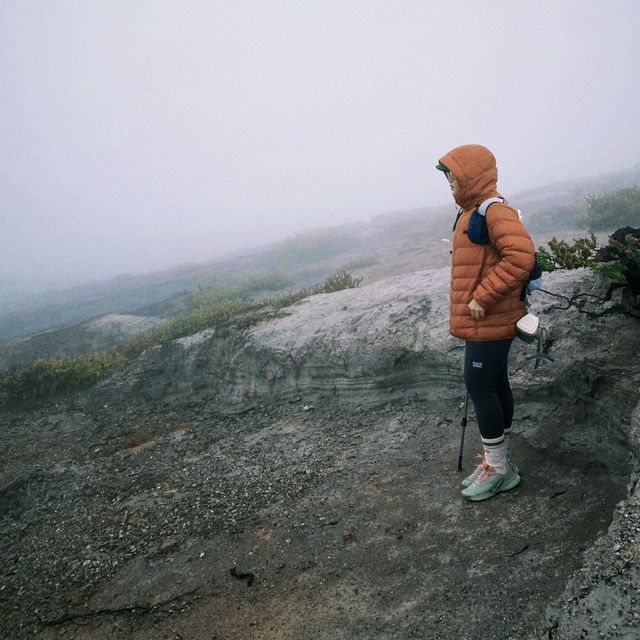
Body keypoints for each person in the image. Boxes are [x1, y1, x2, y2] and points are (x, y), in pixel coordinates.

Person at [436, 144, 536, 501]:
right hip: (485, 321)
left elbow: (521, 257)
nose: (449, 182)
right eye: (446, 176)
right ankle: (500, 461)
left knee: (479, 385)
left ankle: (498, 468)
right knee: (493, 383)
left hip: (491, 318)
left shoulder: (495, 212)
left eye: (454, 175)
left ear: (471, 175)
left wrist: (483, 296)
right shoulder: (470, 212)